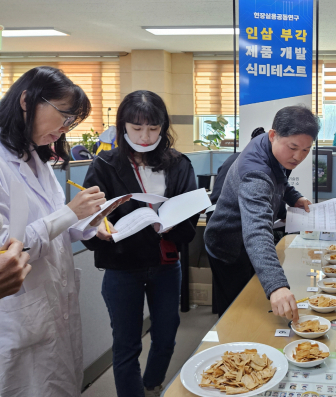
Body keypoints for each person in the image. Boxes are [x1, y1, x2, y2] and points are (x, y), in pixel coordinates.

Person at [0, 66, 126, 397]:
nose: (66, 127)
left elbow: (54, 228)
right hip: (21, 315)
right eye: (64, 116)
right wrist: (70, 212)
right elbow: (7, 249)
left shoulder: (36, 158)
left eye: (72, 121)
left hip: (55, 304)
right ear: (27, 101)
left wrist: (89, 224)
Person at [82, 90, 198, 397]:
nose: (145, 136)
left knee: (166, 336)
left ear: (163, 126)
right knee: (126, 344)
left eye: (153, 128)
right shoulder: (104, 165)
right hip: (122, 268)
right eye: (137, 128)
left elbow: (190, 224)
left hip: (165, 265)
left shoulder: (178, 164)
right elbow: (88, 218)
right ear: (123, 127)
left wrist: (173, 223)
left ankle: (152, 385)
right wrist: (98, 228)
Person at [205, 105, 318, 319]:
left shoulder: (271, 146)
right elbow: (257, 231)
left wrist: (293, 197)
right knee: (236, 313)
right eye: (293, 147)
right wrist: (276, 286)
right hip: (229, 246)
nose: (298, 156)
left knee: (254, 300)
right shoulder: (255, 174)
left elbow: (279, 176)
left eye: (305, 150)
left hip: (247, 244)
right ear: (273, 135)